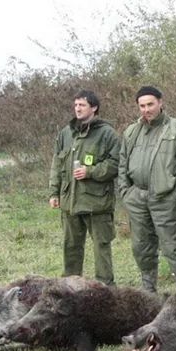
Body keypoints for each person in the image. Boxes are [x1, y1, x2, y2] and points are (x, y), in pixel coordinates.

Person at [118, 86, 176, 291]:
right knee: (141, 247)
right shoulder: (131, 131)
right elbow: (122, 162)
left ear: (161, 102)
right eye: (142, 106)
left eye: (150, 104)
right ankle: (148, 291)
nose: (146, 109)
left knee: (173, 247)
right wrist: (126, 191)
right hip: (137, 197)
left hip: (165, 198)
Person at [49, 89, 121, 285]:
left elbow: (116, 164)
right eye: (75, 105)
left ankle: (105, 288)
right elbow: (57, 164)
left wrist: (90, 172)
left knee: (101, 247)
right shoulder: (66, 133)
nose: (77, 109)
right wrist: (54, 192)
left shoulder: (108, 134)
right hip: (70, 202)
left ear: (94, 108)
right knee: (71, 246)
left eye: (82, 105)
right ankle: (70, 287)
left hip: (97, 203)